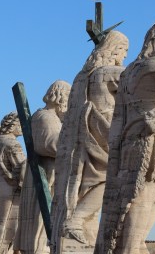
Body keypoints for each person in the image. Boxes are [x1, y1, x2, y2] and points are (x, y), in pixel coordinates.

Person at [96, 21, 155, 254]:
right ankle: (131, 246)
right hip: (150, 138)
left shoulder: (130, 69)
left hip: (132, 138)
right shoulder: (152, 66)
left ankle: (135, 242)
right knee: (143, 193)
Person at [51, 31, 128, 252]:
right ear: (114, 50)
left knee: (89, 183)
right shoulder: (106, 72)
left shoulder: (81, 76)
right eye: (123, 51)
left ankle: (77, 222)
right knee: (110, 178)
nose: (123, 56)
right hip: (100, 130)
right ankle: (76, 220)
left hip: (80, 137)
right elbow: (134, 76)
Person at [15, 80, 70, 254]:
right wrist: (73, 145)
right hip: (44, 177)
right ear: (61, 97)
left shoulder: (54, 118)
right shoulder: (45, 117)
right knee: (39, 231)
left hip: (51, 176)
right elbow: (46, 144)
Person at [0, 112, 25, 254]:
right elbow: (23, 170)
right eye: (20, 124)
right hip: (13, 194)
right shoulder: (13, 144)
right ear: (12, 125)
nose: (22, 128)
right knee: (11, 233)